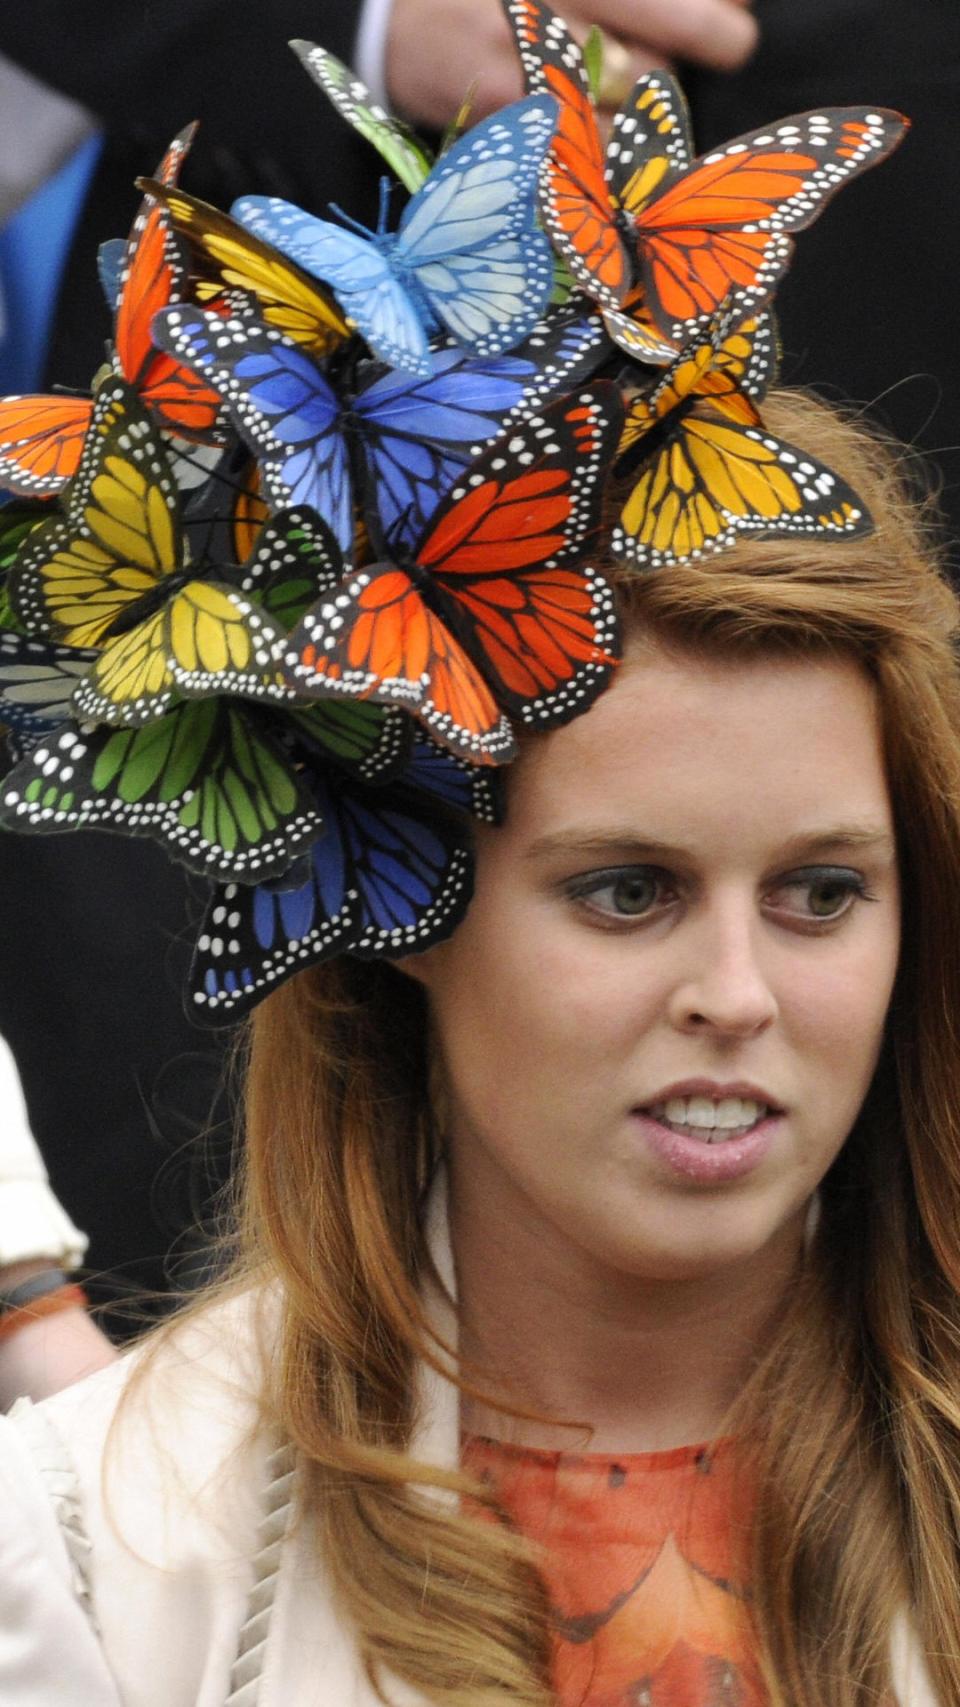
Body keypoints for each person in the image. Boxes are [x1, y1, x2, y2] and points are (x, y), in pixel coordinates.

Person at [0, 384, 952, 1704]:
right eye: (629, 890)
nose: (736, 996)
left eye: (822, 893)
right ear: (404, 909)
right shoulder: (96, 1553)